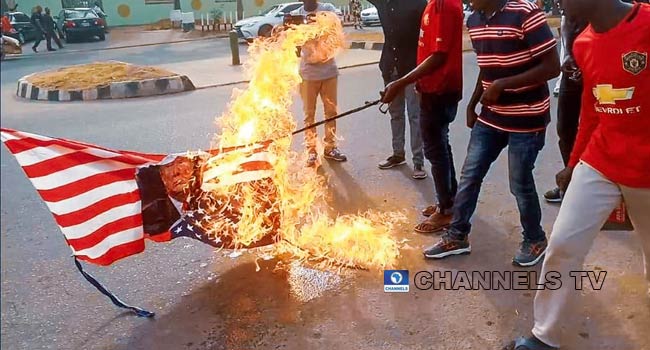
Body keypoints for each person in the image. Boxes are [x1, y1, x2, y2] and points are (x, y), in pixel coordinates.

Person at [508, 1, 650, 348]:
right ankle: (545, 335)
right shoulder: (583, 43)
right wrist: (573, 165)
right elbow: (592, 107)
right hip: (601, 160)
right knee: (563, 244)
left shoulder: (646, 24)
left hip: (646, 169)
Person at [423, 0, 560, 267]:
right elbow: (488, 67)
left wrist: (503, 84)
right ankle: (457, 235)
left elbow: (552, 66)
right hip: (491, 116)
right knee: (470, 175)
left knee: (519, 182)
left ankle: (535, 239)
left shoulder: (525, 13)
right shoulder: (474, 20)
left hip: (527, 117)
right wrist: (473, 103)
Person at [380, 0, 463, 233]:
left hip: (440, 88)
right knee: (441, 148)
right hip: (431, 87)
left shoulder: (444, 5)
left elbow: (438, 55)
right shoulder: (433, 4)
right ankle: (448, 200)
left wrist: (401, 82)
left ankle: (446, 211)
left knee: (436, 152)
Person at [368, 0, 427, 179]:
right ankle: (398, 154)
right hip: (389, 67)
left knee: (414, 115)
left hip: (411, 68)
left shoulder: (418, 4)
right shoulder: (383, 3)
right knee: (395, 114)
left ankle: (418, 162)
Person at [295, 0, 347, 167]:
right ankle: (311, 151)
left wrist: (317, 22)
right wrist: (294, 31)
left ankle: (330, 147)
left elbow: (338, 27)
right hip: (308, 74)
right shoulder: (296, 15)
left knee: (331, 112)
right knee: (309, 115)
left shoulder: (328, 9)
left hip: (329, 71)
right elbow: (294, 45)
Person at [543, 15, 587, 203]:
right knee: (565, 129)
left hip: (599, 66)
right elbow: (567, 28)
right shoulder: (569, 11)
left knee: (600, 129)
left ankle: (604, 190)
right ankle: (571, 184)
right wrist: (568, 55)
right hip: (571, 72)